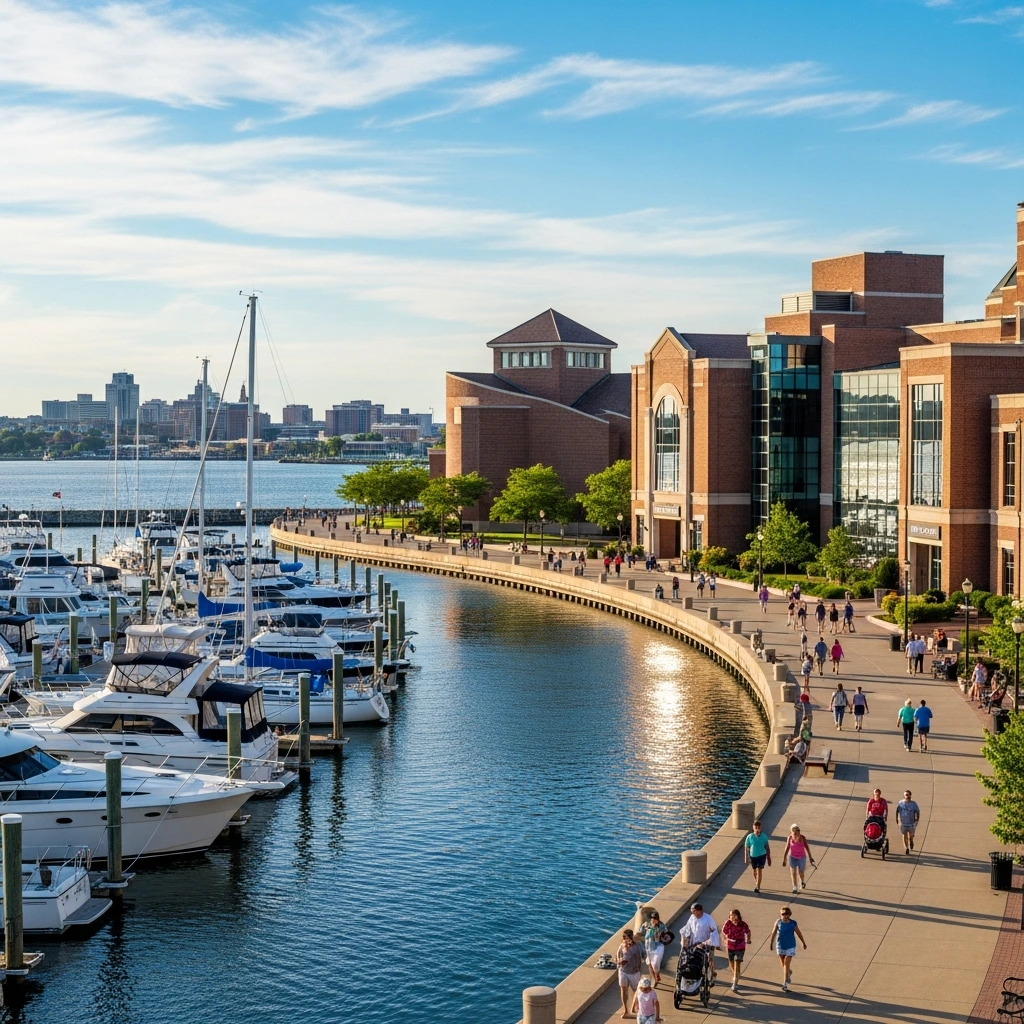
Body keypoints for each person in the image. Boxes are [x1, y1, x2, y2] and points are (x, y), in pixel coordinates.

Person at [768, 906, 806, 993]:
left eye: (786, 914)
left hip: (790, 945)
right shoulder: (778, 922)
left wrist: (803, 942)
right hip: (780, 945)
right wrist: (771, 943)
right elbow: (773, 933)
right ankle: (788, 971)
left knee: (786, 963)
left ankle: (784, 983)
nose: (784, 916)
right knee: (783, 963)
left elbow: (798, 933)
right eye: (783, 914)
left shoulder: (793, 923)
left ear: (789, 914)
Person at [680, 903, 720, 982]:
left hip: (707, 943)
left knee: (709, 959)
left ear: (700, 911)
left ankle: (712, 973)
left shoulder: (708, 919)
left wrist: (708, 942)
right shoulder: (692, 918)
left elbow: (714, 931)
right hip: (694, 943)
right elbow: (687, 929)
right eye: (692, 912)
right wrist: (685, 941)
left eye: (695, 911)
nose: (693, 913)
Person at [722, 909, 752, 993]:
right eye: (731, 915)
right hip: (730, 945)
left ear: (738, 916)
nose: (733, 917)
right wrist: (725, 939)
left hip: (740, 945)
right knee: (731, 963)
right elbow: (724, 932)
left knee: (737, 962)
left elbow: (748, 932)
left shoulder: (743, 924)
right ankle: (736, 974)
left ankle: (734, 981)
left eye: (734, 915)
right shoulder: (728, 923)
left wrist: (748, 940)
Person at [616, 929, 643, 1019]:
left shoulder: (636, 948)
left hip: (633, 972)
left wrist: (638, 971)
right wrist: (620, 962)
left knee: (636, 990)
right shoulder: (621, 946)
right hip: (623, 971)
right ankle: (626, 1010)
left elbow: (639, 960)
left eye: (626, 938)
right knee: (623, 990)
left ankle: (635, 1006)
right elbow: (617, 957)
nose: (625, 939)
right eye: (624, 937)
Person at [782, 824, 815, 893]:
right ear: (791, 833)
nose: (796, 836)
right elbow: (787, 848)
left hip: (801, 858)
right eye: (794, 834)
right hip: (792, 857)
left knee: (801, 873)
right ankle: (794, 887)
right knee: (793, 873)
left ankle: (802, 881)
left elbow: (807, 848)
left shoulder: (803, 838)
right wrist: (784, 859)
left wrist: (810, 857)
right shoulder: (790, 838)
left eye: (797, 834)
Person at [640, 911, 668, 988]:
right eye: (652, 918)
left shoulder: (661, 926)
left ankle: (656, 974)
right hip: (648, 946)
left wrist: (664, 937)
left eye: (655, 918)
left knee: (655, 963)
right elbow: (640, 932)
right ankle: (654, 978)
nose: (653, 920)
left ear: (658, 919)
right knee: (649, 963)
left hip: (658, 946)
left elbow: (667, 934)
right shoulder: (646, 925)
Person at [744, 820, 771, 892]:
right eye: (755, 826)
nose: (757, 827)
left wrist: (769, 858)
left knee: (759, 870)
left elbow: (767, 847)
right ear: (753, 827)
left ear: (761, 827)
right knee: (754, 870)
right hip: (753, 856)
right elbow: (747, 847)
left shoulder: (764, 836)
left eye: (758, 826)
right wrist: (746, 857)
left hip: (762, 855)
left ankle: (758, 886)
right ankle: (757, 881)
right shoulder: (750, 837)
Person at [896, 789, 921, 855]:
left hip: (911, 823)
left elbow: (917, 812)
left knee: (911, 835)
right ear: (904, 796)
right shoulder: (900, 803)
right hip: (903, 823)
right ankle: (906, 847)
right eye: (905, 795)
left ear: (910, 795)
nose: (907, 796)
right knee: (904, 835)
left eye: (908, 795)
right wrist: (897, 819)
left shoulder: (914, 804)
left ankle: (911, 840)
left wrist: (917, 820)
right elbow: (897, 811)